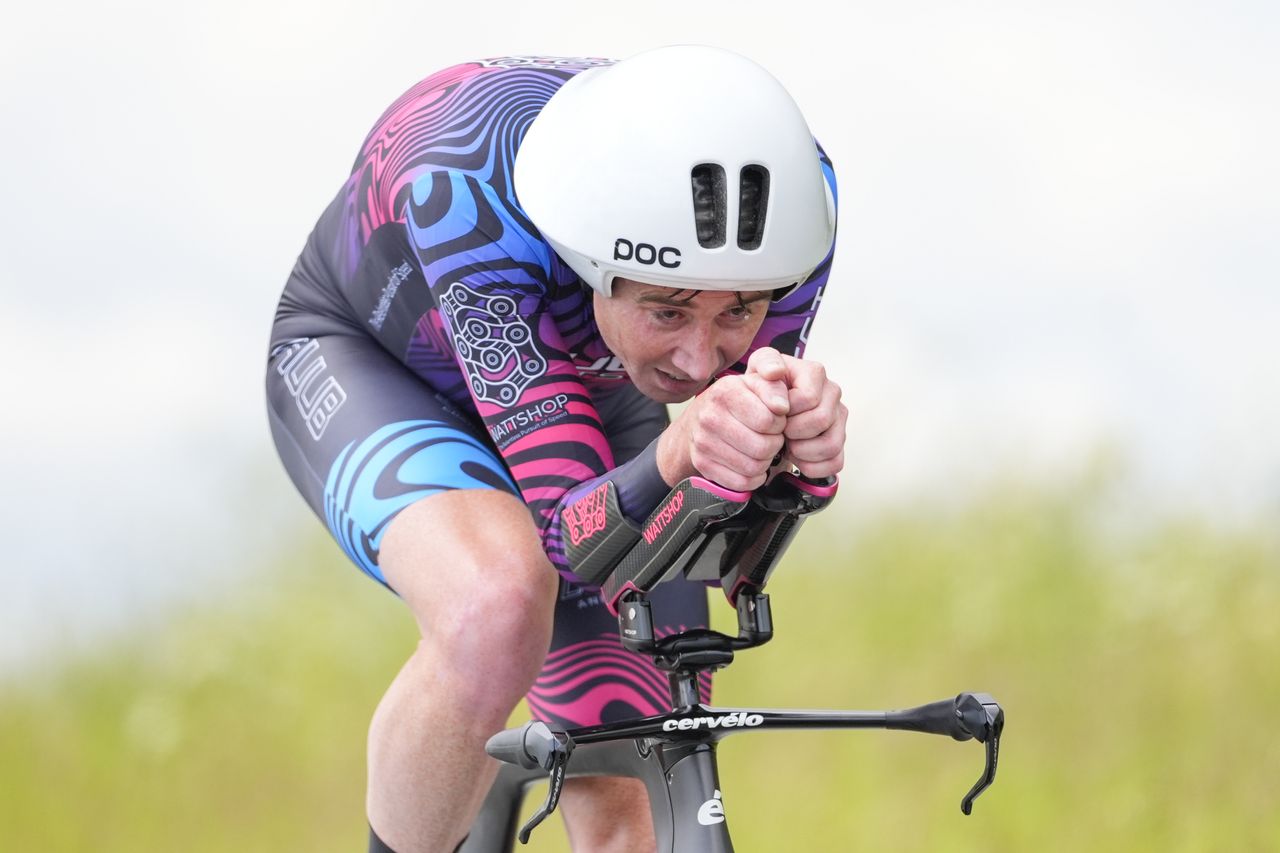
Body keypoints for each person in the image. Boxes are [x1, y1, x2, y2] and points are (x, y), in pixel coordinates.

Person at [266, 45, 846, 853]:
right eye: (669, 312)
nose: (702, 361)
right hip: (383, 368)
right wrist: (683, 454)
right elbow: (578, 546)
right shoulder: (461, 185)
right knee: (497, 606)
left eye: (739, 313)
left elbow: (728, 508)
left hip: (597, 395)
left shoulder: (792, 205)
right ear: (589, 260)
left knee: (639, 752)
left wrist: (798, 455)